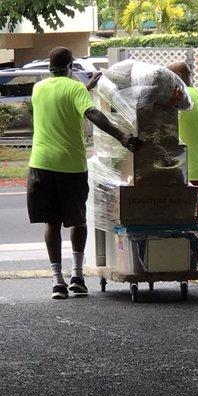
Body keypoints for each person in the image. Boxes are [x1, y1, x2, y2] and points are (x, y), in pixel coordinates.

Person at [27, 47, 143, 299]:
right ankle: (77, 277)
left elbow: (61, 98)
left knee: (52, 222)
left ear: (49, 66)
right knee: (77, 220)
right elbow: (91, 113)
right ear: (71, 67)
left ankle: (57, 281)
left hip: (40, 164)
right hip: (70, 166)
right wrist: (122, 136)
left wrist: (86, 87)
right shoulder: (75, 89)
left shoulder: (38, 89)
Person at [167, 62, 198, 283]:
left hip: (186, 170)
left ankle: (184, 267)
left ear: (178, 76)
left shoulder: (181, 100)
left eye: (169, 76)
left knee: (183, 222)